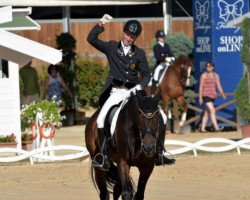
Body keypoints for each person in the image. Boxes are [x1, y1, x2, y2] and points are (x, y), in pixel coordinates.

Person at [87, 14, 175, 170]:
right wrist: (101, 23)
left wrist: (139, 88)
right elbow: (91, 39)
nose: (129, 38)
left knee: (161, 115)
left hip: (134, 92)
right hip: (116, 92)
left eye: (132, 36)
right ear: (123, 32)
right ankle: (103, 155)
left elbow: (147, 75)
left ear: (136, 38)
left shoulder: (139, 54)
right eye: (127, 34)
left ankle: (159, 152)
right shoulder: (112, 47)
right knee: (101, 119)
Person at [199, 61, 226, 132]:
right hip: (205, 95)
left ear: (212, 67)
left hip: (212, 96)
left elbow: (219, 85)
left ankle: (202, 129)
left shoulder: (216, 75)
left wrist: (222, 93)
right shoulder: (203, 75)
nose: (207, 68)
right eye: (207, 66)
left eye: (209, 66)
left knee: (207, 113)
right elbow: (201, 87)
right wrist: (200, 97)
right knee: (212, 110)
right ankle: (216, 127)